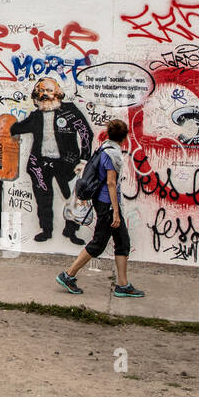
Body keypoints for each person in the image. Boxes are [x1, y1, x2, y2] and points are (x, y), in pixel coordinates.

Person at [57, 118, 145, 298]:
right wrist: (116, 212)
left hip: (102, 201)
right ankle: (68, 275)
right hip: (107, 205)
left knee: (122, 242)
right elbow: (111, 183)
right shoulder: (113, 155)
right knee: (98, 243)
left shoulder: (104, 148)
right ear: (125, 137)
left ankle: (122, 284)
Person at [8, 77, 93, 244]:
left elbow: (86, 133)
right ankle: (46, 231)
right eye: (42, 91)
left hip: (68, 163)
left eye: (49, 90)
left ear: (58, 92)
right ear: (36, 95)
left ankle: (71, 231)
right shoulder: (36, 116)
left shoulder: (69, 111)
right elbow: (16, 128)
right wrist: (7, 123)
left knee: (73, 197)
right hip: (40, 165)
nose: (45, 94)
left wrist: (83, 160)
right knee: (43, 199)